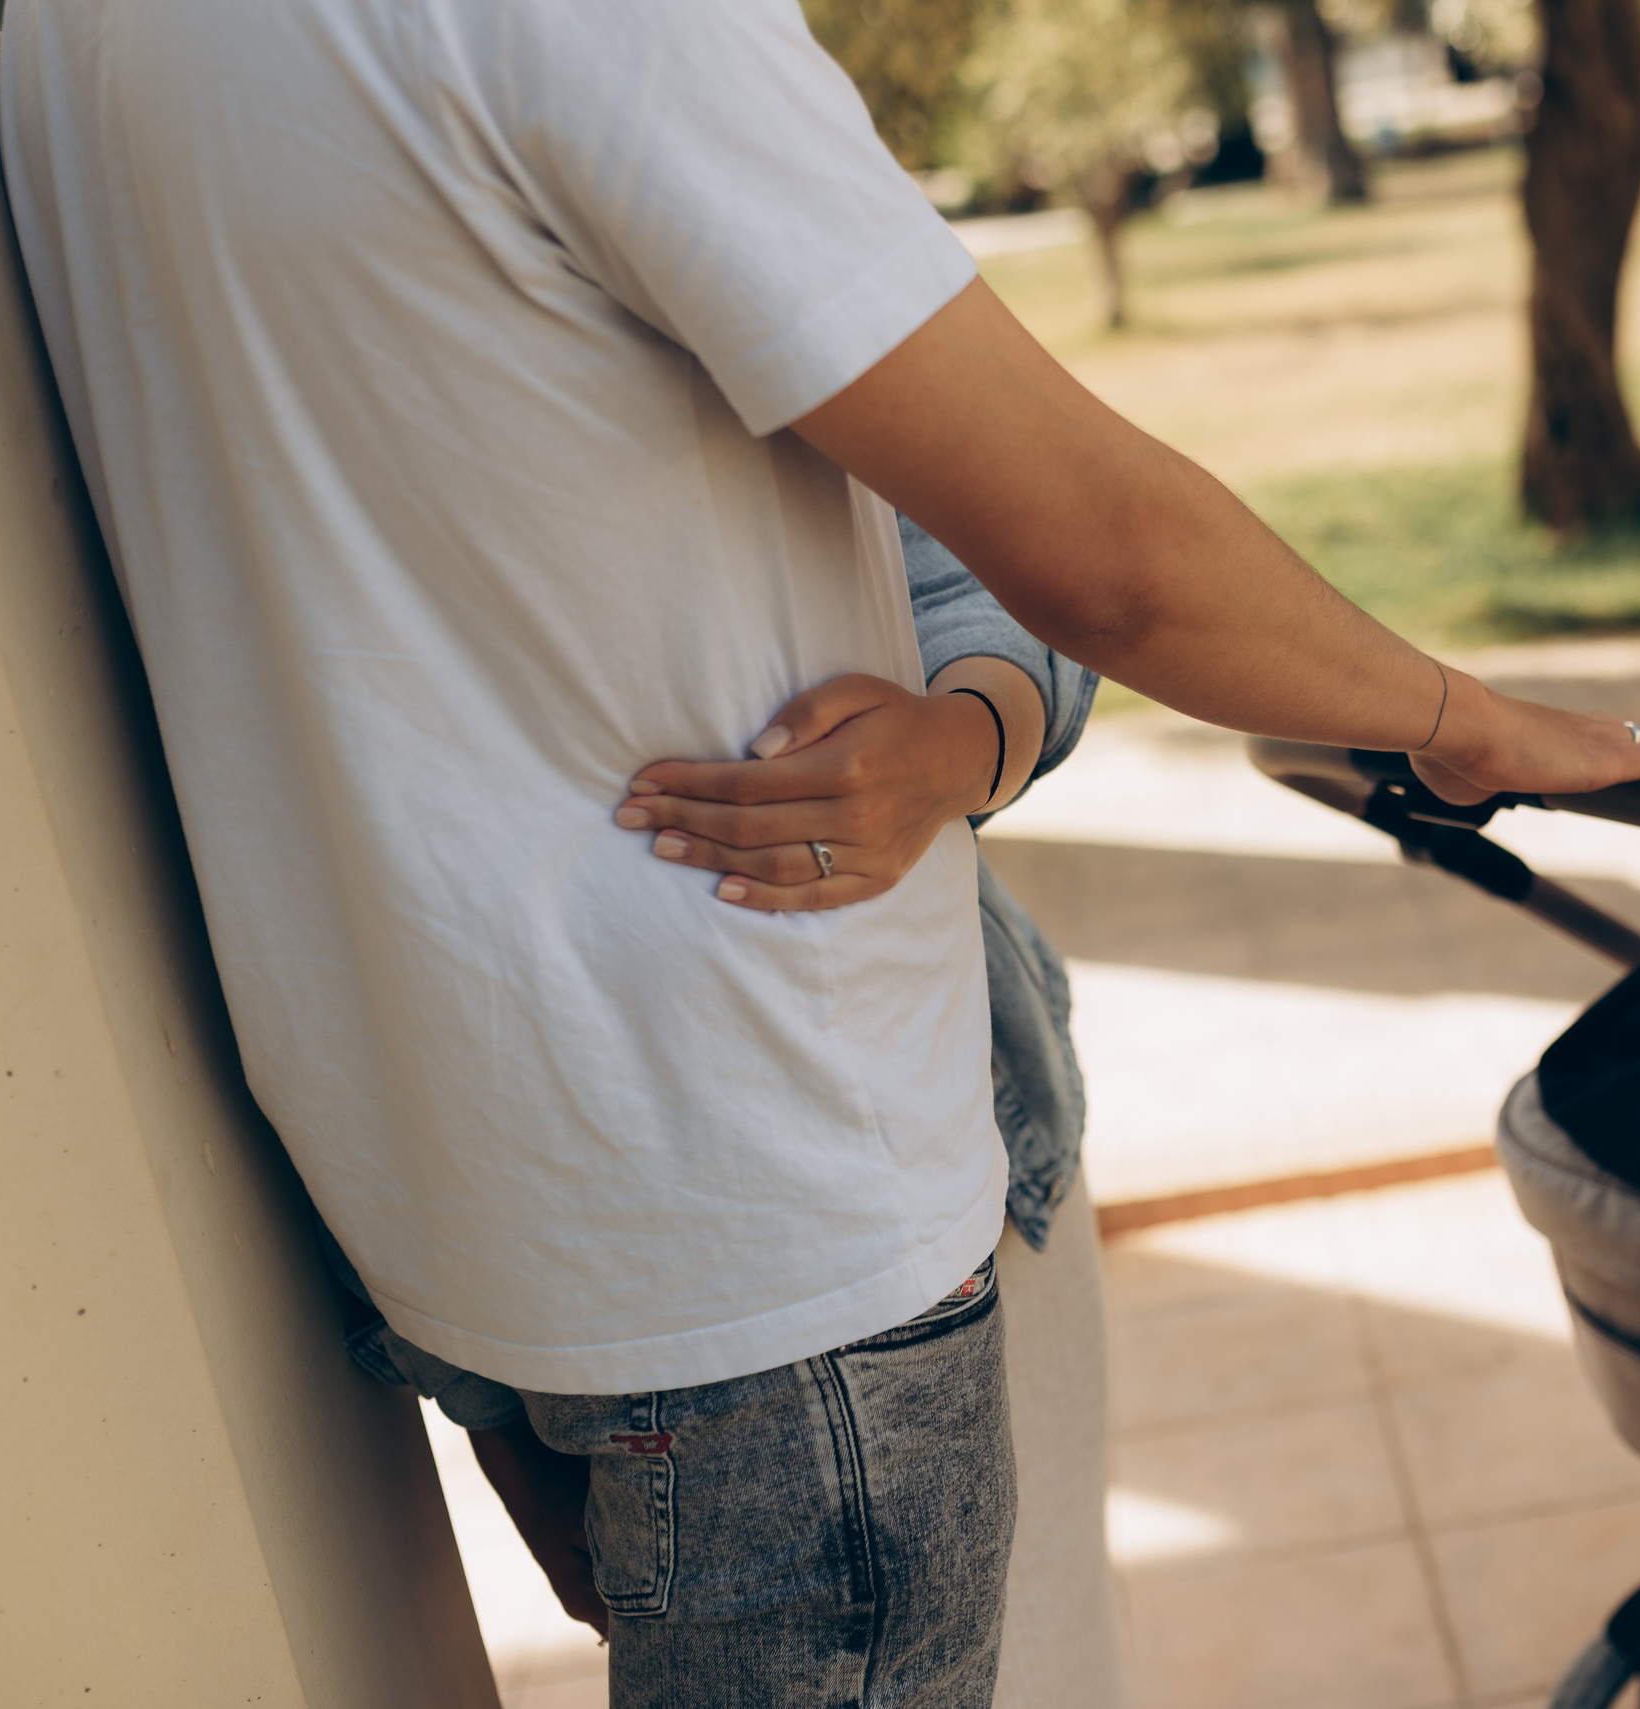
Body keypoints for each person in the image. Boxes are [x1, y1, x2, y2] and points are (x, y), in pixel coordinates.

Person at [0, 2, 1640, 1703]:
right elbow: (1100, 551)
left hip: (448, 1174)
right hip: (745, 1201)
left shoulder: (84, 39)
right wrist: (1455, 718)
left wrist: (967, 731)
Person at [324, 523, 1126, 1702]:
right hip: (609, 1269)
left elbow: (1012, 548)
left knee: (1063, 1655)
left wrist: (973, 734)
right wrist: (481, 1390)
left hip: (928, 1175)